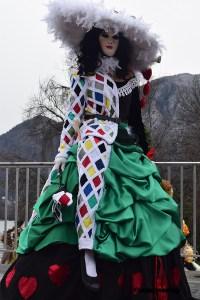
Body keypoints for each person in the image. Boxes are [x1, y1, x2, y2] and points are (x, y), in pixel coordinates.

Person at [0, 1, 198, 299]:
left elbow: (133, 121)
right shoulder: (83, 76)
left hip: (125, 153)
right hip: (89, 142)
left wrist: (145, 160)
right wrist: (63, 154)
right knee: (84, 193)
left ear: (121, 43)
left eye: (115, 36)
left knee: (151, 211)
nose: (109, 40)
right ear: (95, 39)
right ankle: (87, 247)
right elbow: (73, 117)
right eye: (104, 34)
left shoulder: (128, 79)